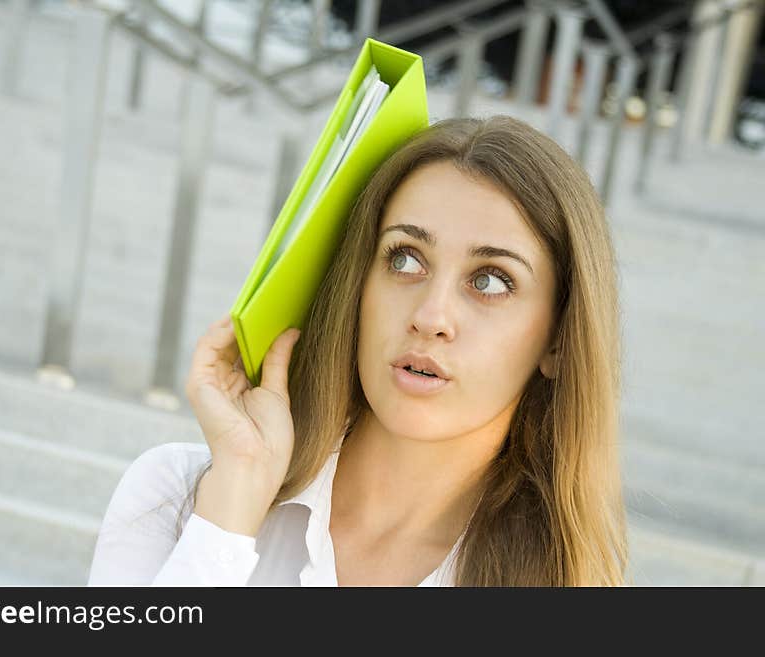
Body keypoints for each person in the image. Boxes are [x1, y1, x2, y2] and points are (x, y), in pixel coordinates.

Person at [87, 115, 627, 587]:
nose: (431, 317)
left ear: (558, 339)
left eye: (489, 281)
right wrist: (229, 514)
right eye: (406, 259)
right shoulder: (176, 496)